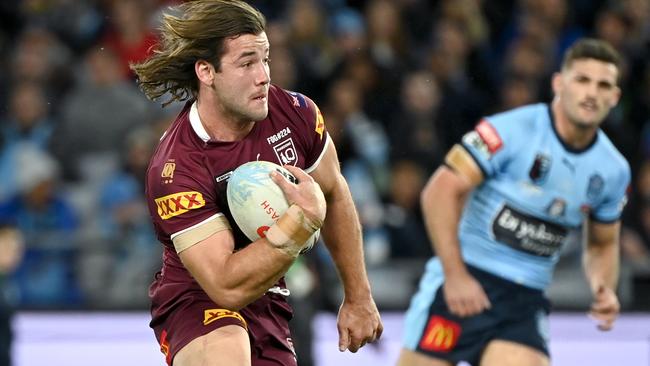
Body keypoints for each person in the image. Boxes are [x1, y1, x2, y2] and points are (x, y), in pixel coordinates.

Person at [130, 1, 383, 365]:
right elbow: (224, 286)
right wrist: (299, 224)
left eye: (265, 59)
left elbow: (333, 190)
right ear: (206, 71)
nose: (263, 74)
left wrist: (358, 296)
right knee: (227, 351)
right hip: (196, 297)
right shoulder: (176, 167)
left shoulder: (296, 112)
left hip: (269, 295)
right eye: (247, 62)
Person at [397, 38, 630, 366]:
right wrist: (455, 274)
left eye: (603, 84)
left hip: (524, 299)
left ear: (614, 97)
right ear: (559, 84)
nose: (592, 93)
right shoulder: (510, 130)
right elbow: (440, 191)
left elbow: (603, 243)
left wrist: (604, 287)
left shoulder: (613, 171)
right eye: (582, 80)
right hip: (464, 279)